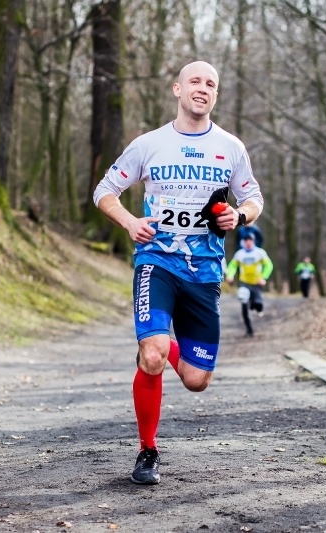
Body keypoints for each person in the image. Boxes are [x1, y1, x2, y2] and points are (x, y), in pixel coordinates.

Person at [92, 60, 264, 485]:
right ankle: (147, 451)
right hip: (157, 261)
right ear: (177, 89)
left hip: (204, 272)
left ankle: (161, 346)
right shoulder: (149, 144)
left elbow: (254, 198)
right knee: (151, 357)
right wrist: (131, 222)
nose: (202, 89)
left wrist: (239, 217)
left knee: (195, 379)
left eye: (211, 84)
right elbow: (104, 191)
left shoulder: (231, 147)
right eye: (195, 82)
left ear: (215, 96)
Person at [225, 234, 273, 337]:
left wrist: (263, 277)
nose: (248, 242)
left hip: (256, 283)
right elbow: (233, 266)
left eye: (250, 240)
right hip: (244, 283)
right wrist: (230, 275)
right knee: (244, 305)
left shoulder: (260, 253)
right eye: (246, 240)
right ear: (243, 242)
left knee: (258, 305)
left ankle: (255, 304)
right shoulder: (239, 254)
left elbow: (269, 265)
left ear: (253, 241)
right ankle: (249, 330)